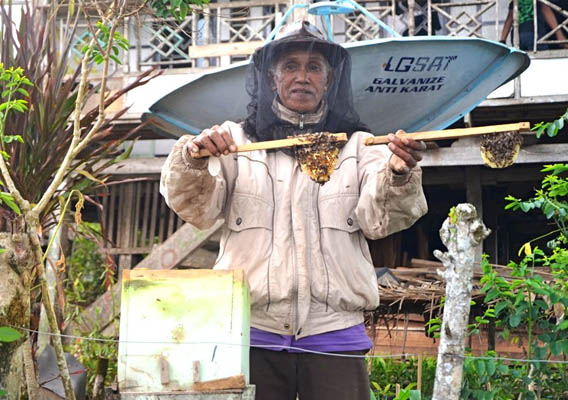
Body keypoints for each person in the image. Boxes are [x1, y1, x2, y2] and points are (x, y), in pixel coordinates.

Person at [160, 20, 428, 400]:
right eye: (290, 66)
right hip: (251, 334)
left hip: (334, 334)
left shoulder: (359, 146)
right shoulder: (234, 141)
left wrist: (399, 172)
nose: (302, 76)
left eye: (314, 67)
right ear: (272, 78)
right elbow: (196, 207)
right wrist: (194, 158)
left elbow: (380, 219)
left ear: (329, 79)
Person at [500, 0, 568, 50]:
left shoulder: (514, 2)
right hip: (533, 33)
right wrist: (559, 34)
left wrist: (502, 40)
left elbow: (509, 19)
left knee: (523, 63)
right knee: (542, 60)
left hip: (517, 37)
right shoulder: (539, 2)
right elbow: (546, 11)